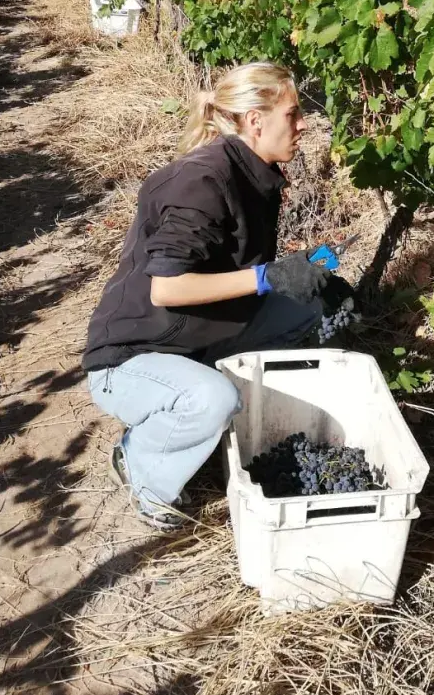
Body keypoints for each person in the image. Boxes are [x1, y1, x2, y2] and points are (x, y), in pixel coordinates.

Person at [82, 62, 343, 530]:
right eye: (293, 113)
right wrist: (267, 278)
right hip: (131, 357)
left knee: (309, 308)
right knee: (212, 401)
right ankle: (141, 467)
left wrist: (305, 274)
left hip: (197, 333)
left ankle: (199, 396)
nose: (304, 124)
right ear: (255, 120)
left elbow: (234, 266)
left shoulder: (252, 171)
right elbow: (168, 288)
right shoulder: (202, 182)